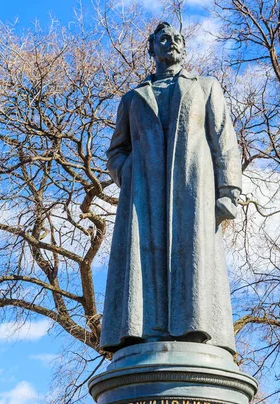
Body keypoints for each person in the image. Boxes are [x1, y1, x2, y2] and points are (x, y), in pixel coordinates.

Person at [100, 22, 242, 355]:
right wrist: (129, 171)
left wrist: (228, 191)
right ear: (152, 48)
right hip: (143, 195)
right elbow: (116, 150)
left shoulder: (205, 87)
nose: (172, 43)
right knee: (142, 262)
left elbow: (224, 142)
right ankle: (142, 331)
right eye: (164, 39)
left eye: (178, 39)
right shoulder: (133, 98)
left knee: (192, 258)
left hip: (192, 192)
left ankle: (195, 328)